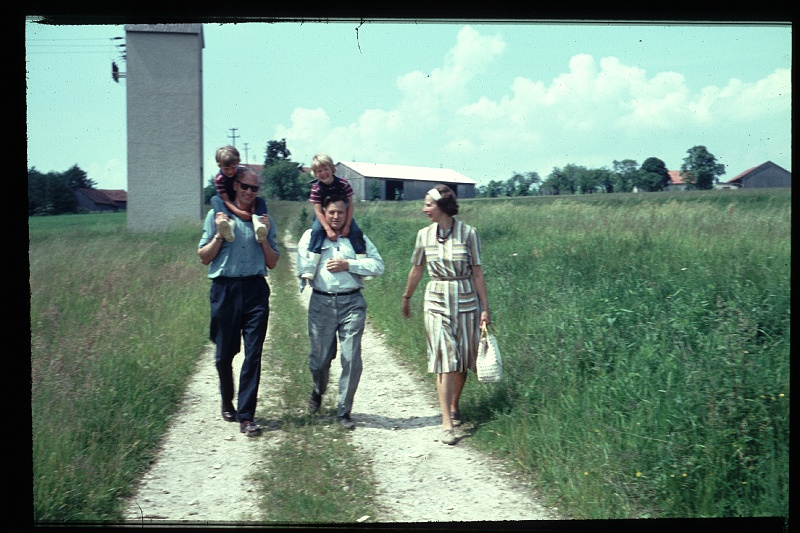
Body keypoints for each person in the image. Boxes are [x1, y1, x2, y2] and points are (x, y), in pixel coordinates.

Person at [401, 184, 491, 445]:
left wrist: (485, 308)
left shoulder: (468, 233)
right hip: (436, 299)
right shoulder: (423, 235)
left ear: (441, 206)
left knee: (462, 359)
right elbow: (417, 269)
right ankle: (446, 423)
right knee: (445, 357)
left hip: (466, 300)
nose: (424, 209)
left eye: (428, 204)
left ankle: (453, 406)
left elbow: (477, 273)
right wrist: (407, 297)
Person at [197, 167, 280, 437]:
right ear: (235, 186)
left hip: (255, 290)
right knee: (224, 355)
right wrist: (220, 235)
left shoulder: (264, 219)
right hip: (225, 289)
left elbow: (273, 262)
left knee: (253, 354)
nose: (249, 192)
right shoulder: (217, 216)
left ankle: (247, 416)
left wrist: (264, 238)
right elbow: (204, 256)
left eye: (254, 188)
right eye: (245, 186)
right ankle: (226, 399)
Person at [296, 193, 384, 430]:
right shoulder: (310, 237)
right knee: (319, 361)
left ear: (347, 214)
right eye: (331, 212)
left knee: (351, 358)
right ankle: (318, 389)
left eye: (341, 212)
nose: (336, 216)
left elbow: (378, 266)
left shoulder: (356, 238)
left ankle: (344, 411)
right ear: (323, 213)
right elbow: (302, 266)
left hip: (351, 303)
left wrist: (349, 264)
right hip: (321, 304)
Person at [299, 153, 367, 280]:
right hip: (323, 216)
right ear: (315, 173)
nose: (323, 173)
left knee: (356, 232)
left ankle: (362, 265)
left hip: (343, 214)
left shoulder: (343, 183)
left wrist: (347, 225)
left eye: (326, 169)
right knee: (316, 231)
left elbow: (350, 205)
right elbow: (318, 211)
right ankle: (311, 267)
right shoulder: (316, 188)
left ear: (332, 169)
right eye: (319, 171)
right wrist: (328, 229)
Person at [211, 145, 268, 243]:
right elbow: (226, 200)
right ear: (220, 166)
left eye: (233, 168)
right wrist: (239, 213)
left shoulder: (243, 171)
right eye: (226, 169)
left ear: (238, 163)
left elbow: (251, 188)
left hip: (242, 196)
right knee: (215, 199)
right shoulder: (219, 179)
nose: (230, 171)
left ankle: (258, 223)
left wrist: (253, 205)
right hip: (228, 199)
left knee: (261, 201)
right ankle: (227, 222)